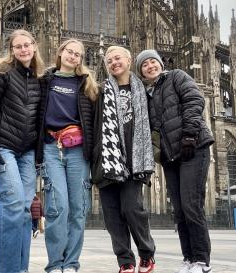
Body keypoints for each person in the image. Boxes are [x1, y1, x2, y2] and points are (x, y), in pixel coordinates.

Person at [135, 49, 215, 273]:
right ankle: (189, 259)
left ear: (161, 63)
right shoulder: (147, 94)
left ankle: (202, 261)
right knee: (179, 210)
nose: (150, 66)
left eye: (153, 62)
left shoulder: (177, 76)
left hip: (193, 148)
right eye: (144, 65)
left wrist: (190, 135)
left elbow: (195, 100)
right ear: (140, 71)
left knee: (191, 206)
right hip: (171, 157)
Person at [0, 29, 45, 273]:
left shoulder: (39, 78)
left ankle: (21, 268)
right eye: (18, 46)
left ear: (34, 46)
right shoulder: (0, 73)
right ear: (12, 50)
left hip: (27, 152)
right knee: (13, 204)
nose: (23, 49)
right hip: (5, 147)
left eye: (27, 44)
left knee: (26, 210)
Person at [91, 46, 156, 273]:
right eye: (109, 60)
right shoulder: (100, 91)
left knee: (131, 209)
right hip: (108, 161)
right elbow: (92, 124)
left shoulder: (145, 91)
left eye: (117, 58)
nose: (114, 63)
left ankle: (146, 254)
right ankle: (125, 261)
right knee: (111, 215)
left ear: (129, 60)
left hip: (134, 161)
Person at [36, 38, 98, 273]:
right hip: (51, 147)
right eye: (69, 52)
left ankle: (71, 264)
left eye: (78, 54)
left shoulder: (87, 85)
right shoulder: (45, 81)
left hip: (78, 151)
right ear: (60, 53)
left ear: (81, 59)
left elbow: (95, 121)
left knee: (78, 208)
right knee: (56, 206)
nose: (73, 56)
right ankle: (55, 264)